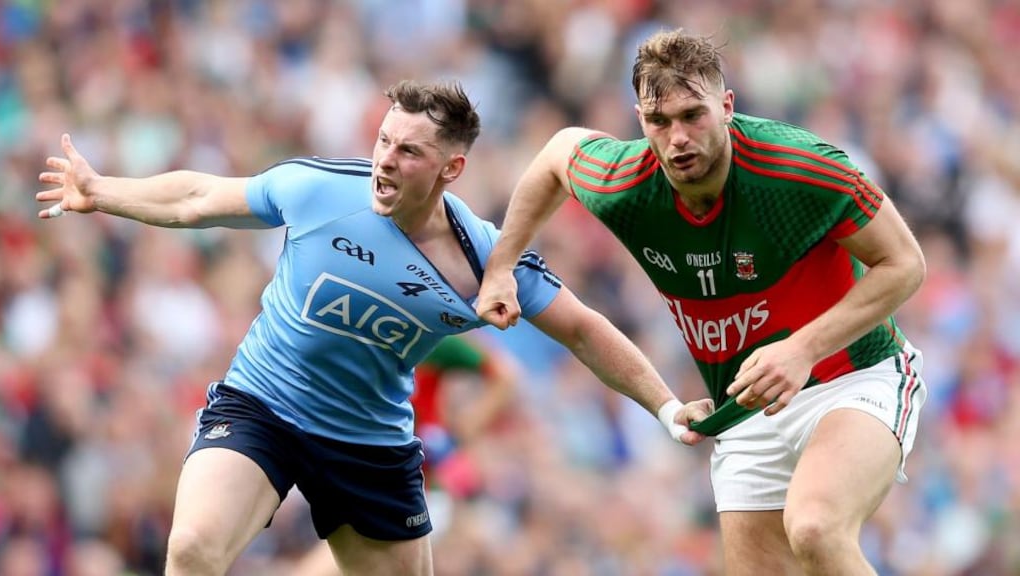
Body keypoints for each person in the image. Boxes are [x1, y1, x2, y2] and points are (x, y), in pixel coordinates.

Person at [36, 80, 706, 576]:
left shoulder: (483, 260)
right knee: (191, 549)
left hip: (369, 444)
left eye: (409, 151)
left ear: (451, 169)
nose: (385, 160)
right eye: (384, 140)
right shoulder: (318, 189)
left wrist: (666, 406)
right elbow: (196, 199)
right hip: (263, 404)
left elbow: (584, 329)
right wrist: (102, 193)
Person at [475, 30, 928, 576]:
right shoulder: (625, 182)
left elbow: (905, 264)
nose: (677, 138)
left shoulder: (798, 168)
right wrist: (501, 266)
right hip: (745, 409)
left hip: (853, 377)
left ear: (727, 107)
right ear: (640, 121)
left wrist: (802, 347)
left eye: (694, 115)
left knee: (814, 526)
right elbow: (555, 155)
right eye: (658, 122)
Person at [292, 333, 518, 576]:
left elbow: (505, 376)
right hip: (359, 475)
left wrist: (467, 424)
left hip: (416, 489)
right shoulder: (359, 332)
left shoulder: (433, 339)